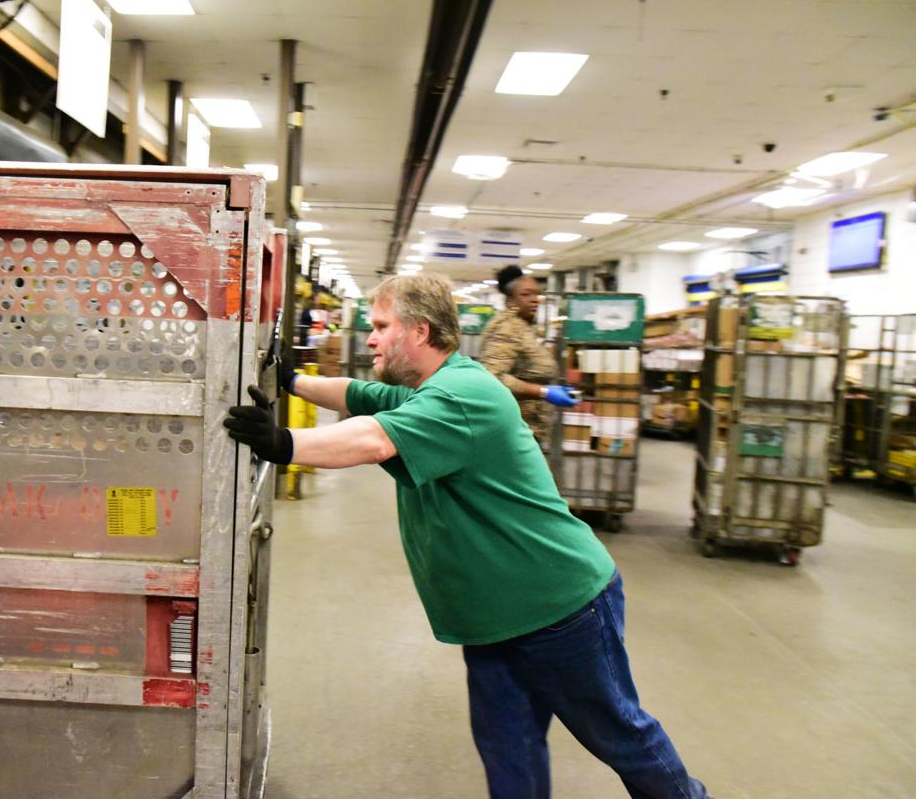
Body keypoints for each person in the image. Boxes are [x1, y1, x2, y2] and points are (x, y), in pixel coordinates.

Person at [224, 273, 707, 799]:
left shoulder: (462, 394)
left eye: (382, 326)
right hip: (493, 617)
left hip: (559, 607)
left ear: (420, 332)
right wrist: (292, 380)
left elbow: (373, 439)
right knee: (510, 749)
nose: (369, 337)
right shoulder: (427, 388)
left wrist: (283, 442)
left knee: (621, 737)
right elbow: (360, 395)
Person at [478, 265, 578, 445]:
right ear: (510, 301)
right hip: (511, 432)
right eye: (526, 295)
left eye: (536, 294)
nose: (534, 300)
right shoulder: (509, 328)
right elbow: (490, 378)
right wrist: (543, 392)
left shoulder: (524, 326)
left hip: (526, 431)